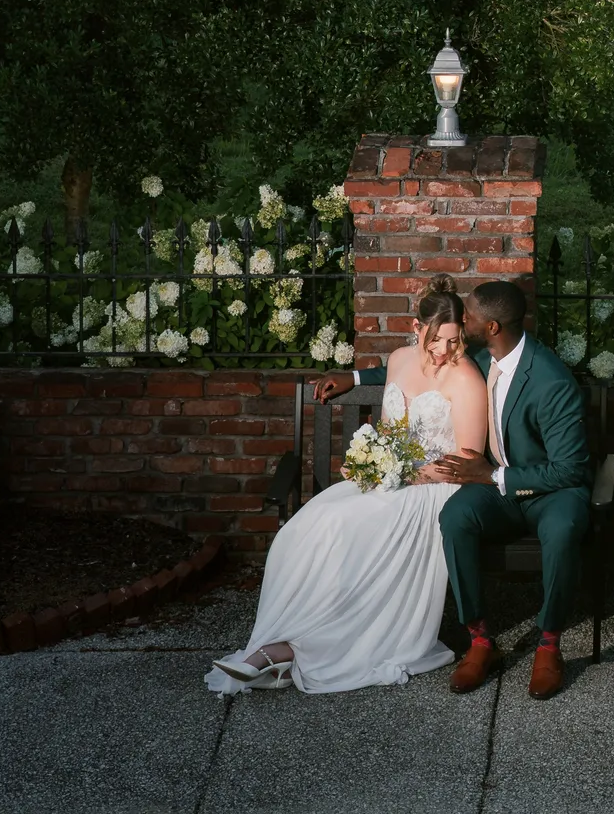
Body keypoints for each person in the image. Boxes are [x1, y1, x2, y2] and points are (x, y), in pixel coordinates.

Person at [206, 277, 485, 695]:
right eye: (436, 339)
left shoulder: (466, 377)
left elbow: (468, 459)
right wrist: (373, 460)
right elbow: (389, 432)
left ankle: (302, 650)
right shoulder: (398, 361)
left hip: (433, 489)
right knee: (302, 531)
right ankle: (278, 642)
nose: (444, 350)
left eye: (453, 339)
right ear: (416, 327)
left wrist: (406, 474)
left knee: (344, 528)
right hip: (390, 478)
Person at [319, 276, 590, 701]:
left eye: (471, 318)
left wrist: (493, 476)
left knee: (562, 530)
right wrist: (355, 375)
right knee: (455, 517)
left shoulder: (552, 381)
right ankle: (480, 638)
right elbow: (418, 367)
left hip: (549, 490)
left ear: (493, 328)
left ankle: (549, 644)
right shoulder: (485, 356)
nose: (464, 322)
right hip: (494, 483)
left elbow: (570, 469)